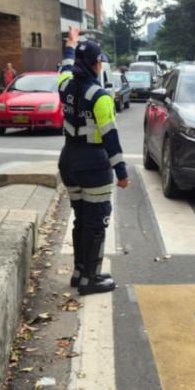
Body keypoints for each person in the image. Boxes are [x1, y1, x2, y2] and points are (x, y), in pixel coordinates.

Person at [57, 27, 128, 296]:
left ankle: (79, 273)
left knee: (81, 218)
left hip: (69, 161)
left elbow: (65, 66)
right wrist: (121, 172)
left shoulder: (65, 86)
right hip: (93, 164)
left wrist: (70, 45)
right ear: (97, 64)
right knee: (97, 221)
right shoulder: (100, 97)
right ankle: (91, 278)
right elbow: (110, 137)